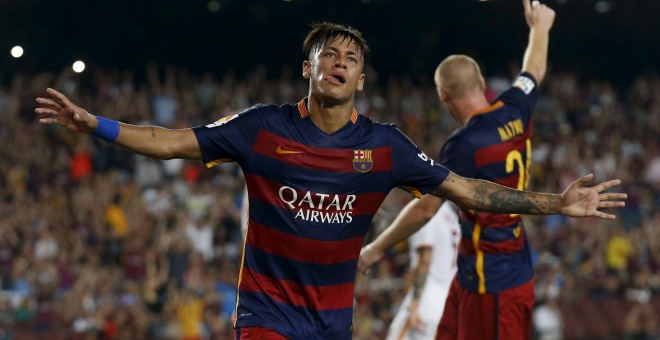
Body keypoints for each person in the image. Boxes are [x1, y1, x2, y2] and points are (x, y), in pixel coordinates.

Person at [36, 21, 625, 340]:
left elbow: (470, 191)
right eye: (327, 53)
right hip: (268, 318)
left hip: (332, 323)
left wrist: (559, 204)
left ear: (362, 78)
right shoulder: (260, 128)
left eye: (349, 57)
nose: (338, 62)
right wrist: (98, 126)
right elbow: (170, 143)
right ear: (308, 68)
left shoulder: (385, 146)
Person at [359, 1, 558, 339]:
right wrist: (540, 28)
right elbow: (534, 69)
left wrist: (375, 249)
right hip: (485, 269)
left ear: (443, 95)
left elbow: (425, 207)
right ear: (481, 82)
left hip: (492, 279)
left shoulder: (464, 143)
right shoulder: (516, 106)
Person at [386, 202, 461, 340]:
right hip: (448, 303)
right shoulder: (452, 217)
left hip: (426, 302)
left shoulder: (427, 210)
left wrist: (414, 305)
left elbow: (425, 258)